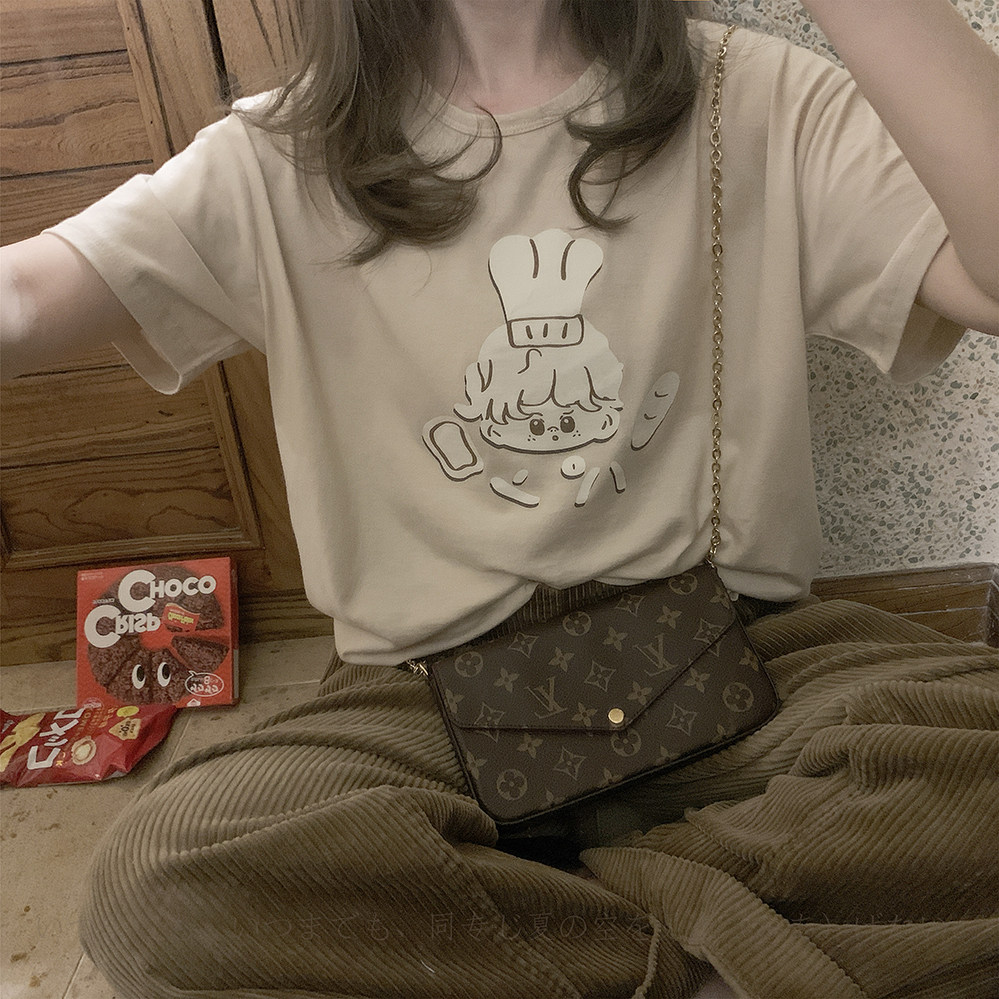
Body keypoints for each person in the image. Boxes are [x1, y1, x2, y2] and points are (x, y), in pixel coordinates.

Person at [2, 1, 998, 996]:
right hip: (426, 698)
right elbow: (29, 297)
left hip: (733, 648)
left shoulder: (759, 92)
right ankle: (712, 954)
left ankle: (551, 919)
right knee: (163, 881)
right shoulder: (275, 156)